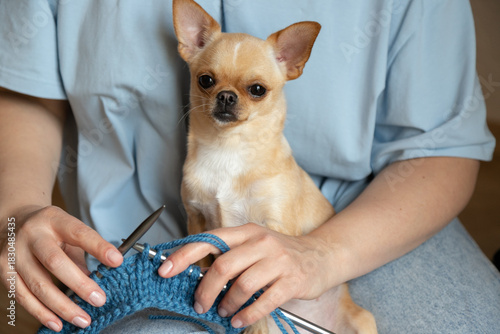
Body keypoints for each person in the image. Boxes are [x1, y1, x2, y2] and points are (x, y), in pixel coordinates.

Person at [0, 0, 499, 333]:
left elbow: (443, 141)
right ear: (191, 51)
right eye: (209, 82)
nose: (226, 98)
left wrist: (322, 254)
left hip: (381, 211)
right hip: (136, 239)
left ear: (290, 64)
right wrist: (14, 211)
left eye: (253, 89)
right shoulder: (197, 172)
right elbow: (25, 93)